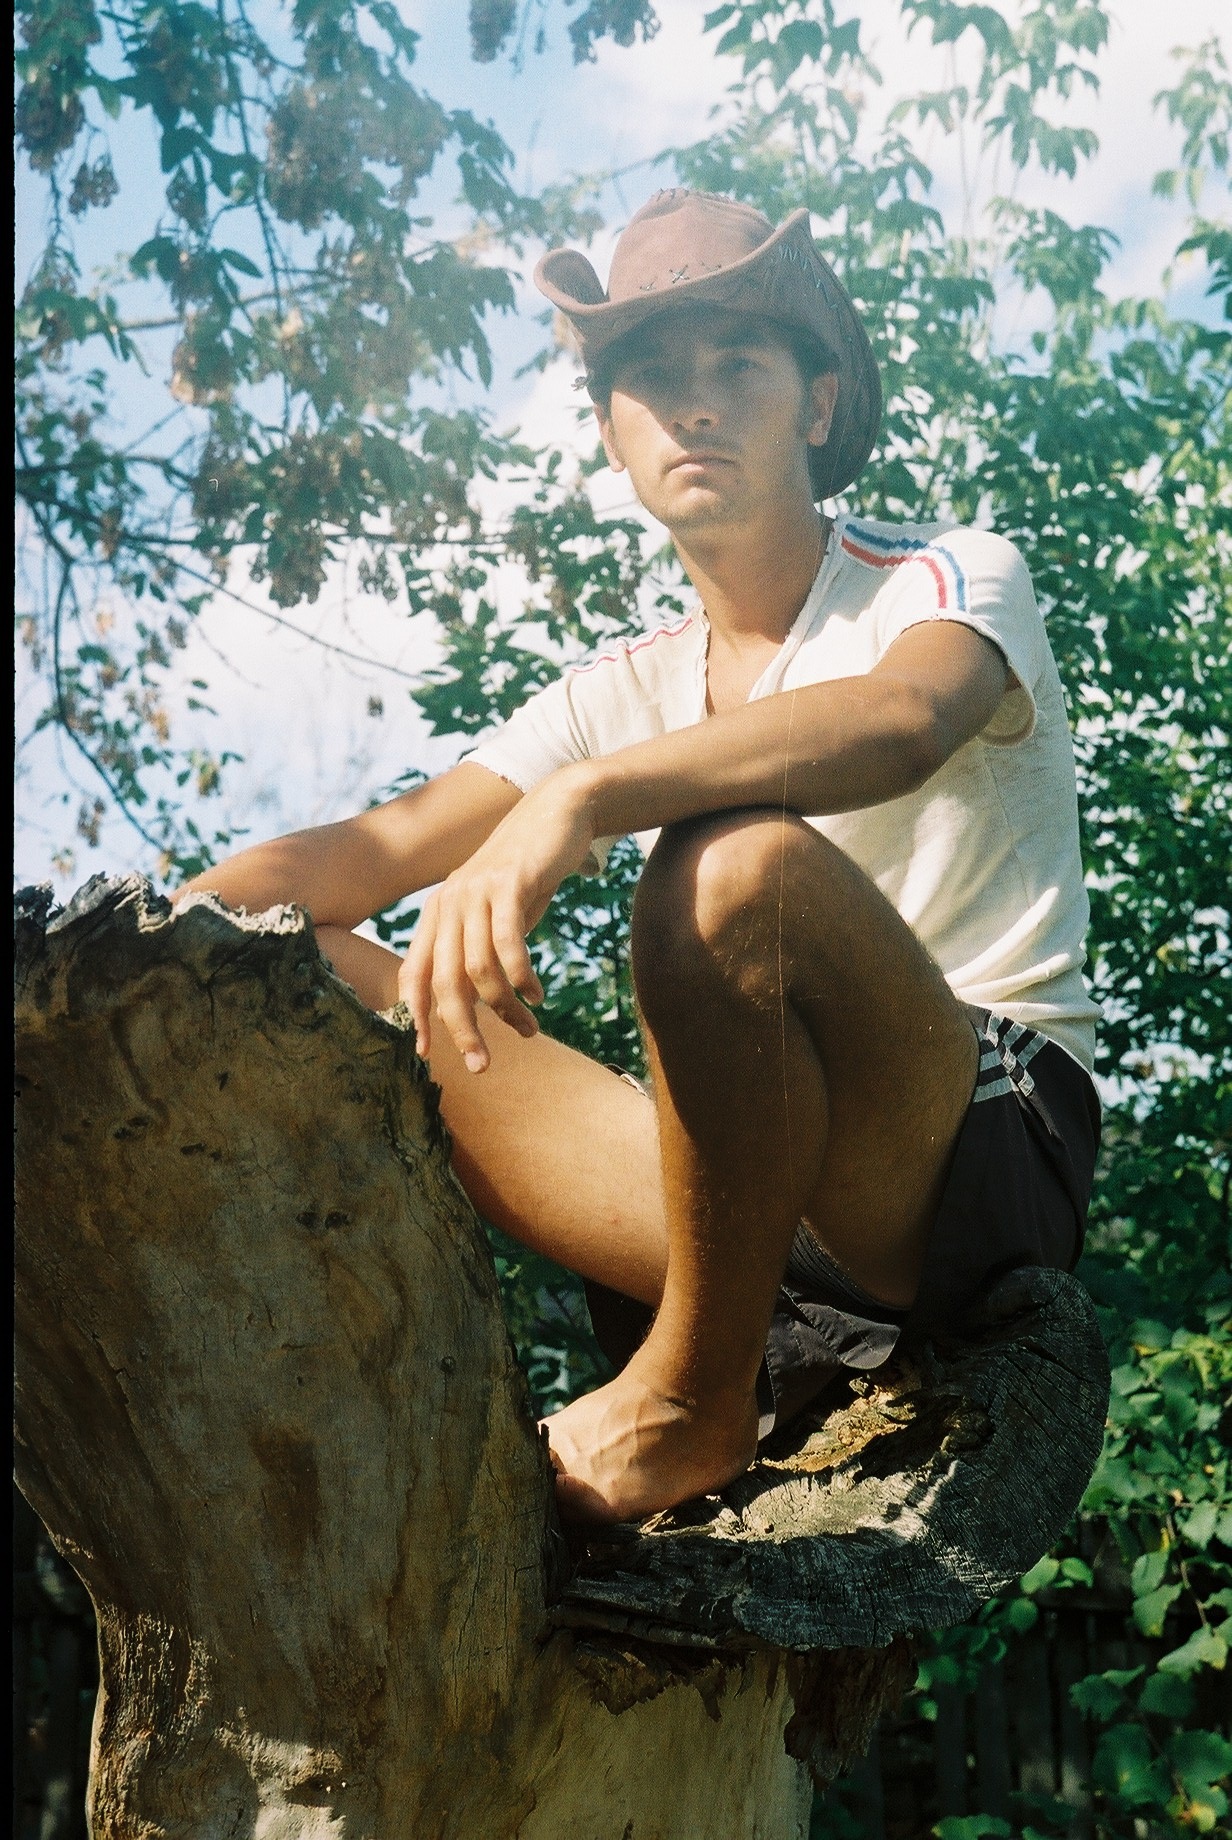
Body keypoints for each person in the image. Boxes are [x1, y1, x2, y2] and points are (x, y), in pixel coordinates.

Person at [180, 189, 1101, 1527]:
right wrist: (118, 948)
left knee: (731, 874)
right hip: (744, 1207)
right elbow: (370, 854)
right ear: (612, 434)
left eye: (739, 363)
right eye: (655, 378)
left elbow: (905, 720)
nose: (697, 405)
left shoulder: (944, 575)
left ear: (819, 405)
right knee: (280, 973)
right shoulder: (619, 686)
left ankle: (689, 1402)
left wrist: (585, 799)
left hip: (968, 1153)